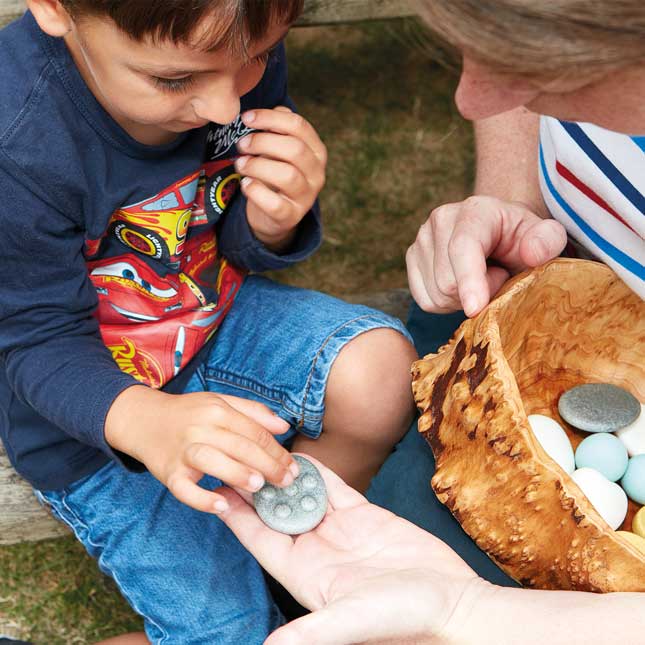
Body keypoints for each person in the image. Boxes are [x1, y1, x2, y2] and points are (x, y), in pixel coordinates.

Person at [218, 0, 645, 642]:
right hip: (543, 323)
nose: (469, 99)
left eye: (549, 68)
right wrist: (508, 204)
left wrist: (470, 614)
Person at [0, 0, 418, 642]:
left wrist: (271, 221)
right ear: (57, 9)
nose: (227, 107)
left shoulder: (226, 37)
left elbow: (224, 237)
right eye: (173, 80)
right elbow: (34, 341)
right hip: (91, 415)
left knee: (378, 373)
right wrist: (147, 421)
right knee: (230, 632)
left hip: (214, 319)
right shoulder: (17, 140)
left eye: (257, 58)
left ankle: (286, 566)